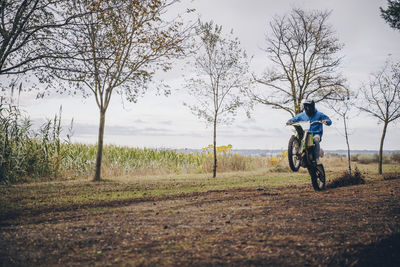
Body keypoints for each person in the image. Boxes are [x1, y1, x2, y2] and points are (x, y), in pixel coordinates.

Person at [286, 99, 332, 165]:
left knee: (316, 140)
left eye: (309, 106)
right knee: (298, 138)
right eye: (306, 106)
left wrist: (326, 121)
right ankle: (297, 153)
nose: (308, 108)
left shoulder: (319, 114)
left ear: (312, 106)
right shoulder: (302, 115)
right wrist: (289, 121)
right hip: (305, 134)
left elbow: (329, 121)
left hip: (315, 133)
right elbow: (294, 119)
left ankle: (317, 159)